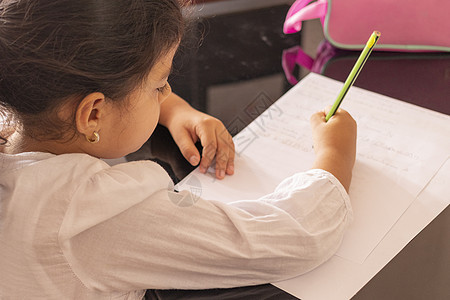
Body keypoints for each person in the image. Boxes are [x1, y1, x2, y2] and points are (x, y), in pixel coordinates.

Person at [0, 0, 357, 299]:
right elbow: (294, 239)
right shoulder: (91, 218)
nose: (167, 93)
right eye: (159, 85)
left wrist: (176, 111)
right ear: (93, 113)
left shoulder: (18, 127)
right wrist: (333, 155)